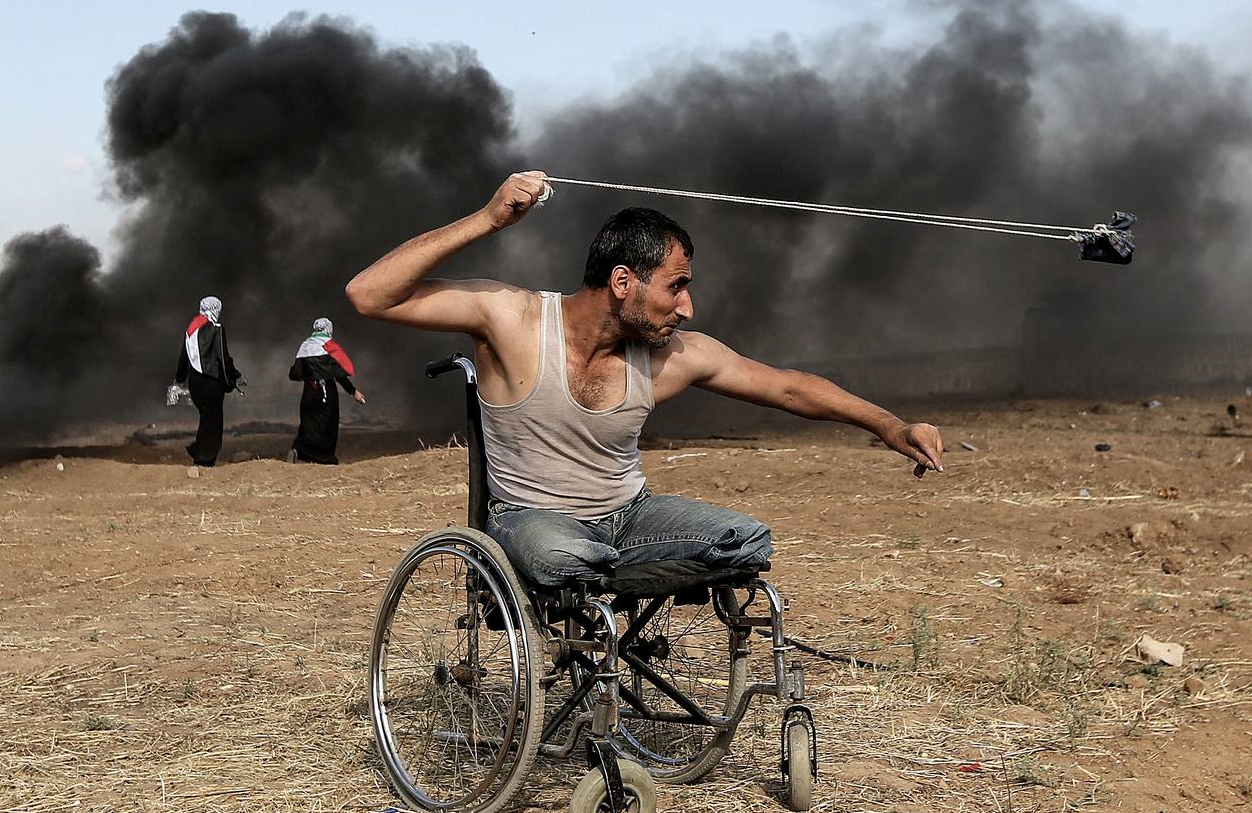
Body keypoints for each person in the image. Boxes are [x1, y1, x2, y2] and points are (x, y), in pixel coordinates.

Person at [345, 171, 943, 587]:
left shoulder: (670, 356)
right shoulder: (514, 319)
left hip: (629, 517)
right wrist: (487, 219)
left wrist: (890, 425)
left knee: (746, 541)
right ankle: (614, 575)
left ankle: (619, 573)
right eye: (676, 285)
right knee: (565, 558)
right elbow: (367, 294)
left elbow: (787, 387)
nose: (687, 308)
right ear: (624, 281)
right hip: (532, 522)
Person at [172, 296, 242, 467]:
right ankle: (204, 459)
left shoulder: (191, 328)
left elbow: (184, 357)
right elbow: (223, 358)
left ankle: (198, 449)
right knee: (214, 422)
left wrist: (179, 380)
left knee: (206, 418)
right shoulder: (216, 328)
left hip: (195, 383)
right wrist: (234, 377)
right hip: (211, 382)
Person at [287, 317, 366, 464]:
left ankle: (299, 450)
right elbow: (340, 373)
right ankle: (326, 459)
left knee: (308, 425)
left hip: (308, 393)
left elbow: (295, 373)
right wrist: (353, 391)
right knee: (327, 425)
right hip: (325, 393)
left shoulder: (305, 345)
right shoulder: (328, 346)